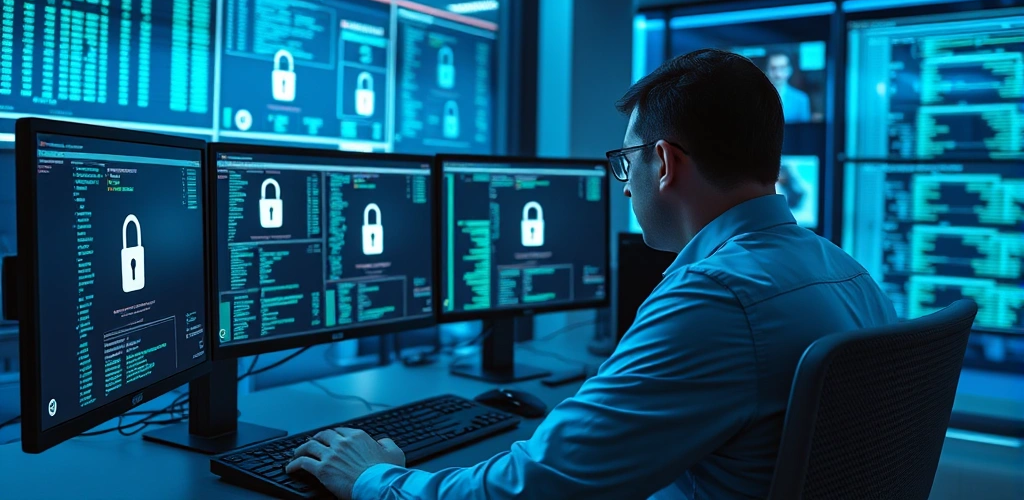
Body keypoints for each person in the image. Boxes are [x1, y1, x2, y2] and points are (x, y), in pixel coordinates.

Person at [286, 49, 898, 500]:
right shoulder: (846, 272)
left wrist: (371, 476)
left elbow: (529, 493)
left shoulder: (713, 299)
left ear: (663, 163)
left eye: (625, 162)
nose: (624, 184)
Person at [766, 52, 812, 123]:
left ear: (789, 70)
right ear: (767, 71)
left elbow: (805, 130)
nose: (778, 74)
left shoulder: (801, 99)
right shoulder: (756, 98)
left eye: (782, 68)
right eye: (773, 68)